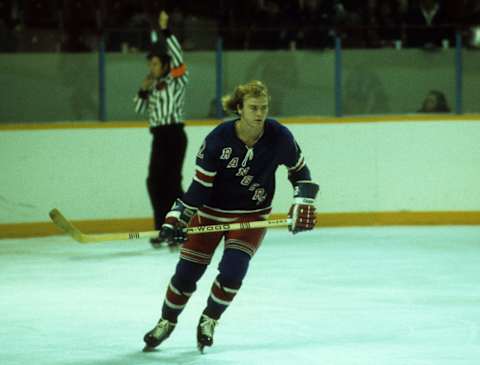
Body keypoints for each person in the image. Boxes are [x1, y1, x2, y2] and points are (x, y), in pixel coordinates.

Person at [142, 80, 319, 353]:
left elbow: (300, 173)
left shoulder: (279, 136)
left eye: (263, 107)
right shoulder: (217, 140)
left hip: (252, 216)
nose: (260, 113)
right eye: (253, 108)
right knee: (186, 275)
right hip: (211, 213)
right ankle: (166, 321)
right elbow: (199, 188)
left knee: (233, 271)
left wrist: (302, 202)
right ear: (239, 109)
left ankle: (209, 319)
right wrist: (178, 217)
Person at [134, 10, 189, 248]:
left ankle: (183, 226)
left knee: (172, 184)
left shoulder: (176, 79)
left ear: (165, 64)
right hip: (159, 136)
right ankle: (163, 228)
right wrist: (143, 89)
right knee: (155, 182)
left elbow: (177, 56)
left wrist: (165, 30)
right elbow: (138, 108)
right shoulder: (154, 86)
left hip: (174, 134)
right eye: (150, 64)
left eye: (155, 63)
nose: (152, 67)